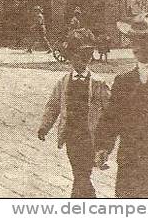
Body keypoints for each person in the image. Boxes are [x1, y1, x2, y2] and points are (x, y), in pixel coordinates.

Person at [94, 13, 148, 198]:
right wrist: (103, 146)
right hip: (129, 159)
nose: (137, 47)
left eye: (144, 41)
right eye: (134, 41)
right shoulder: (123, 81)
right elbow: (111, 118)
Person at [38, 28, 111, 198]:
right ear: (70, 58)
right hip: (71, 136)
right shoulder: (63, 82)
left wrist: (108, 136)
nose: (82, 61)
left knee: (82, 175)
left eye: (86, 57)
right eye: (77, 57)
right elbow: (53, 106)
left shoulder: (99, 83)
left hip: (89, 136)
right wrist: (44, 127)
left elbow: (110, 111)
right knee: (80, 173)